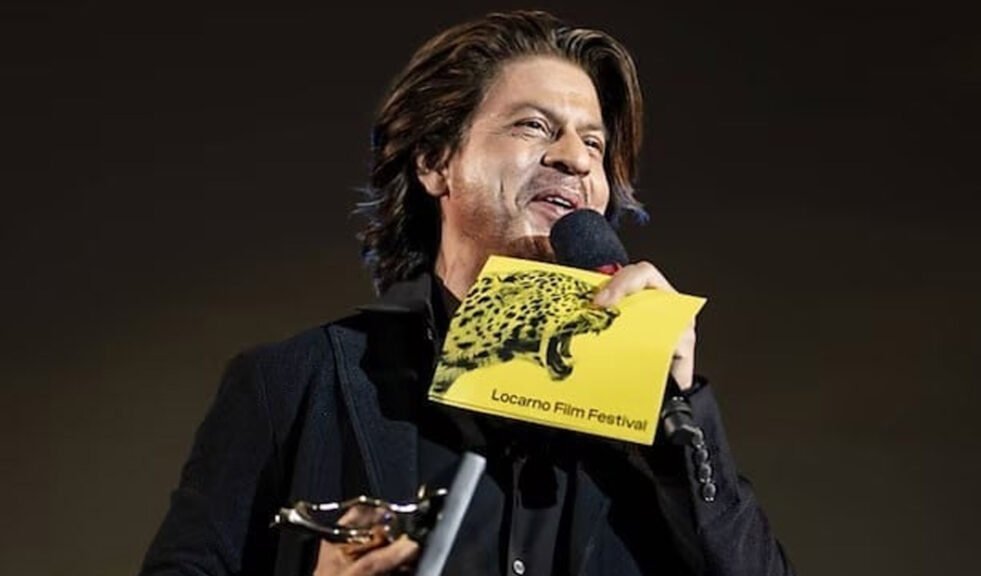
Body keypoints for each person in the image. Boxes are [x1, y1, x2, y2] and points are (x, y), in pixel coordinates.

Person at [140, 10, 794, 576]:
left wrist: (677, 413)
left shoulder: (656, 423)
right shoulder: (289, 384)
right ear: (434, 162)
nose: (578, 158)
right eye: (536, 127)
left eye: (594, 141)